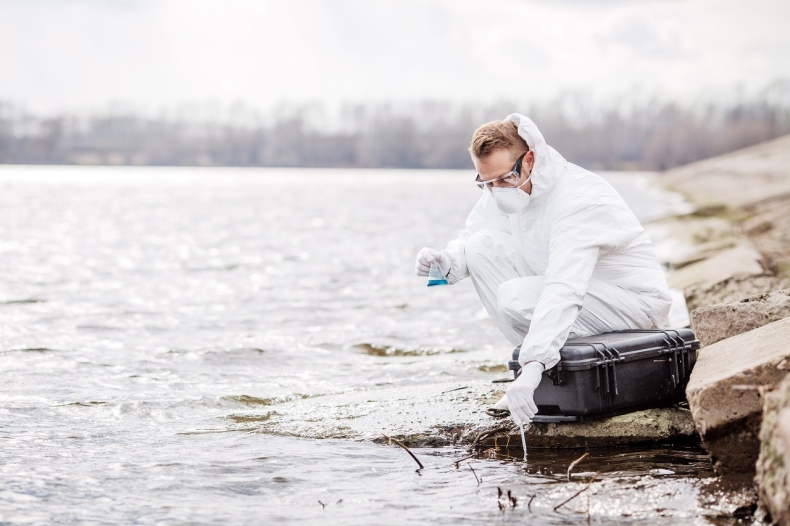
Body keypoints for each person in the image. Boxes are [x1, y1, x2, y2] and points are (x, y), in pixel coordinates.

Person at [414, 114, 672, 426]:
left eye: (503, 179)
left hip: (635, 309)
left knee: (515, 296)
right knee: (479, 247)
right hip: (581, 297)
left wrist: (533, 364)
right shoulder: (506, 187)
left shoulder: (578, 198)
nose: (496, 190)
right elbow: (472, 235)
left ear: (529, 160)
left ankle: (538, 374)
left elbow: (565, 286)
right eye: (486, 182)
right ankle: (543, 377)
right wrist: (444, 263)